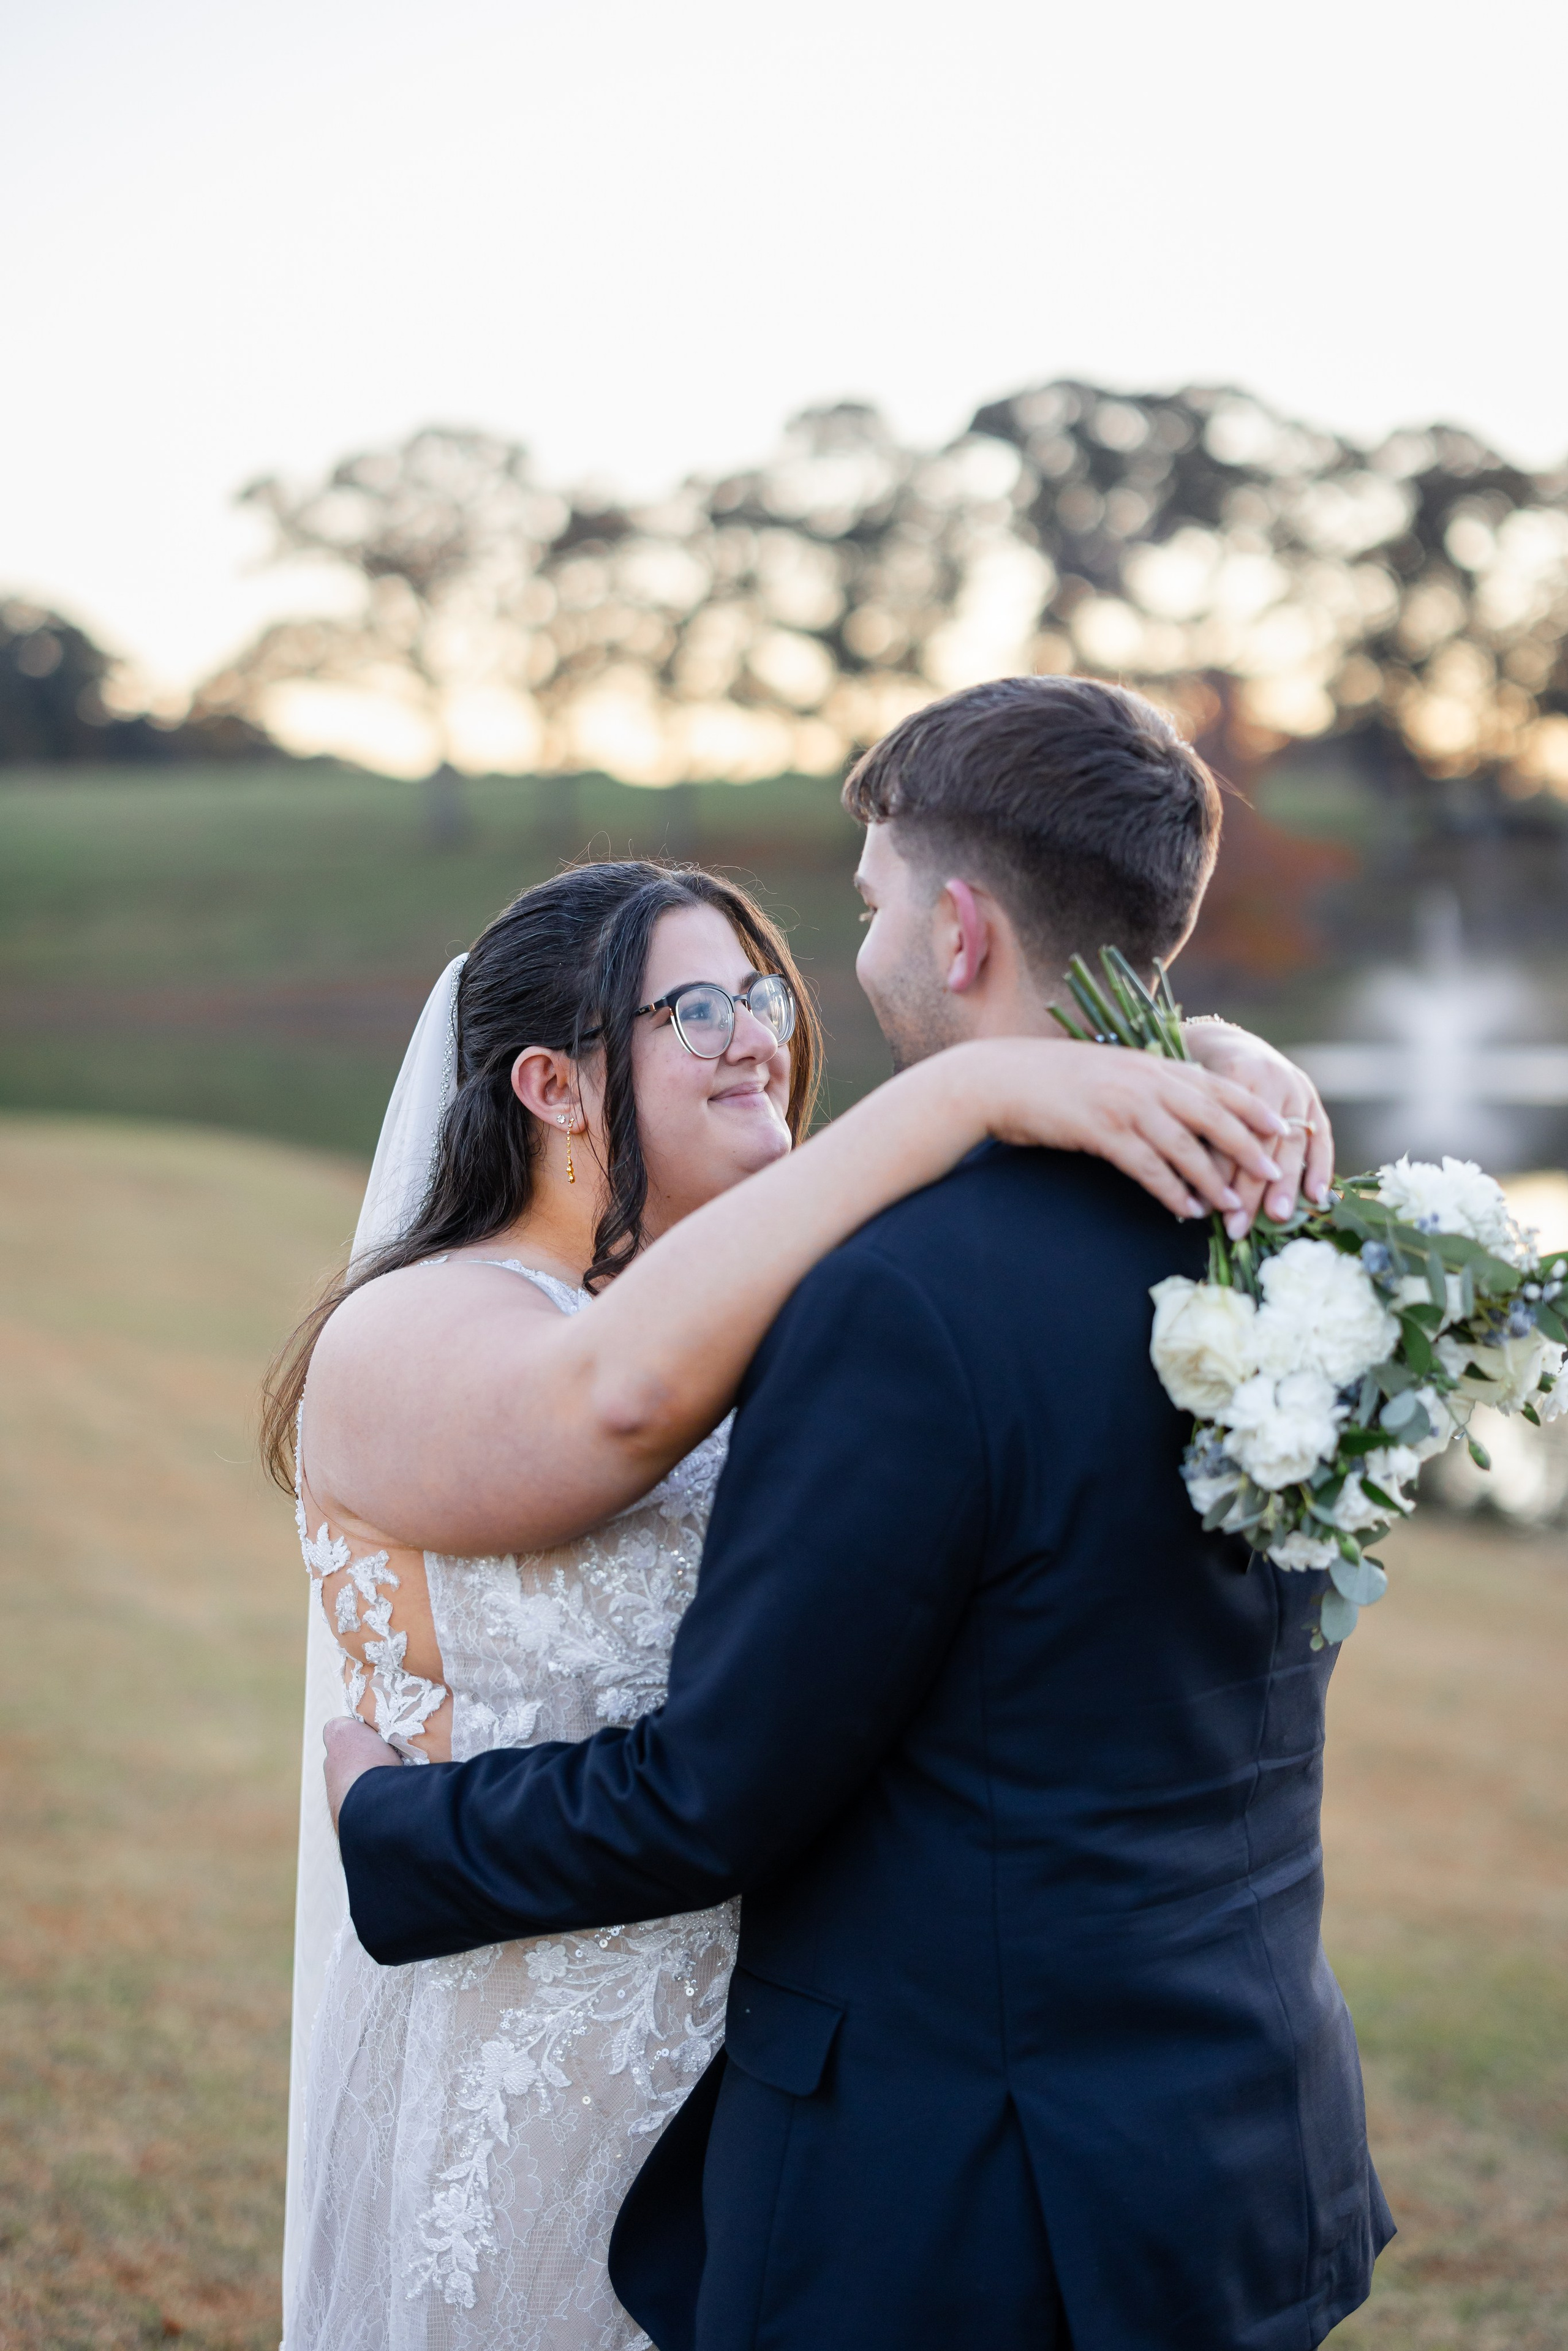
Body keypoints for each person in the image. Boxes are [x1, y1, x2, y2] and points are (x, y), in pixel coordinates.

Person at [325, 676, 1389, 2351]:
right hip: (1227, 2135)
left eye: (865, 906)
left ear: (959, 932)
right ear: (547, 1081)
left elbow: (715, 1789)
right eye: (703, 1009)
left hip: (966, 2172)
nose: (785, 1009)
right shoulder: (1279, 1228)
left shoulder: (896, 1294)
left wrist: (395, 1822)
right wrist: (1029, 1084)